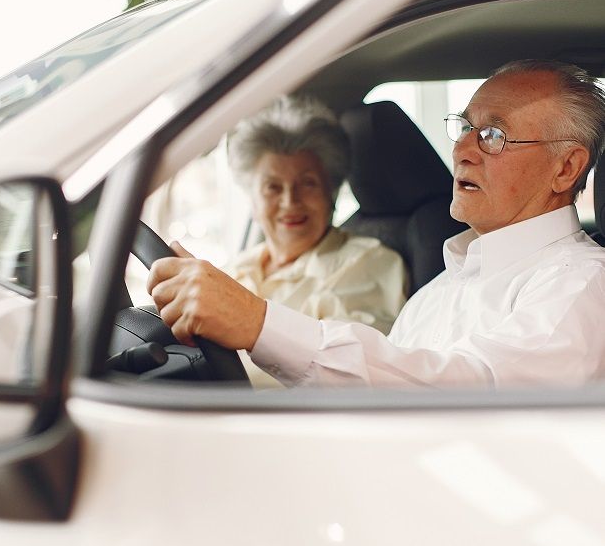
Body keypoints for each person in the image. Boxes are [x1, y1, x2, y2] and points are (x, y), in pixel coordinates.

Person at [148, 59, 605, 389]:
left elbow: (470, 390)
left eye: (492, 135)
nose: (462, 150)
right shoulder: (438, 291)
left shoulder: (584, 284)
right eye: (465, 128)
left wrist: (257, 323)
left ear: (565, 169)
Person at [222, 95, 407, 387]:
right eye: (273, 187)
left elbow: (350, 376)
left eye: (307, 184)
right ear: (252, 199)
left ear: (331, 194)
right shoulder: (237, 268)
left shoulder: (368, 263)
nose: (289, 201)